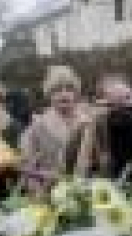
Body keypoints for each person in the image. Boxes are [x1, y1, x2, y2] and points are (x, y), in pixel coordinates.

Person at [66, 73, 132, 190]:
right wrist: (91, 127)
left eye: (128, 97)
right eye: (117, 102)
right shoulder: (91, 129)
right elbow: (77, 177)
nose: (127, 105)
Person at [20, 65, 88, 194]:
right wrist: (38, 195)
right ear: (49, 94)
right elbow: (27, 169)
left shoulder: (88, 124)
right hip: (47, 196)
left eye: (69, 89)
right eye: (57, 90)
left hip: (84, 194)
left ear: (76, 93)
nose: (64, 94)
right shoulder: (36, 128)